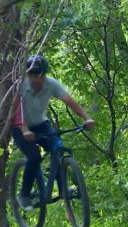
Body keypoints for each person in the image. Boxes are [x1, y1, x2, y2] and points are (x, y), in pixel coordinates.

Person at [12, 55, 95, 210]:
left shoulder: (51, 84)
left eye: (41, 75)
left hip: (41, 124)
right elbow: (16, 110)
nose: (37, 79)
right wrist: (24, 130)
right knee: (34, 157)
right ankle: (24, 193)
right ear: (28, 74)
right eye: (33, 75)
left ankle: (63, 188)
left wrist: (86, 118)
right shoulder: (21, 86)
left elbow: (69, 101)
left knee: (58, 148)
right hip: (20, 126)